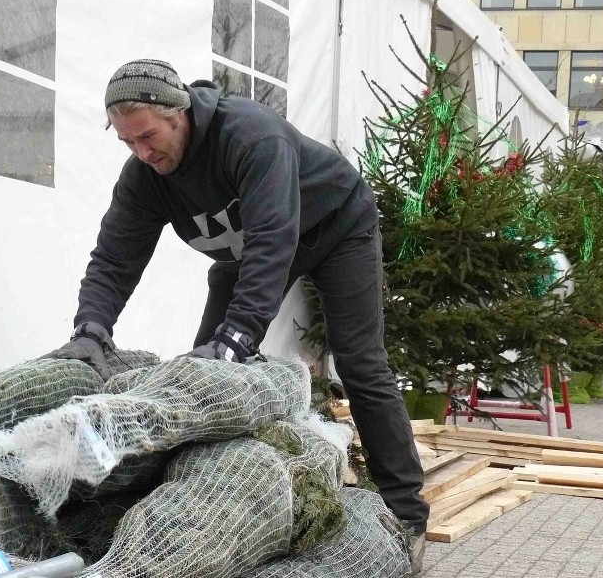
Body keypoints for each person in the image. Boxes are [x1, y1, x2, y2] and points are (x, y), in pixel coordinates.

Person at [47, 59, 429, 573]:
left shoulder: (251, 136)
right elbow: (115, 255)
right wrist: (91, 328)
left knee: (360, 363)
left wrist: (239, 334)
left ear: (178, 113)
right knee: (201, 382)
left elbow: (274, 240)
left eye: (148, 136)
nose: (142, 152)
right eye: (127, 143)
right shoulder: (145, 175)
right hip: (249, 255)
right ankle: (201, 506)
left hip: (335, 228)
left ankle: (405, 512)